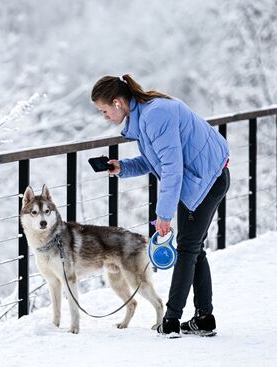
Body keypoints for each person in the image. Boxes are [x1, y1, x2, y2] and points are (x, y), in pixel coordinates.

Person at [91, 74, 230, 338]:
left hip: (205, 180)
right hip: (198, 180)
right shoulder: (144, 116)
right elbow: (155, 160)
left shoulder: (155, 115)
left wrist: (163, 216)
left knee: (188, 249)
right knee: (194, 249)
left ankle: (171, 321)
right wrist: (123, 167)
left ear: (118, 102)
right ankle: (204, 318)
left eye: (105, 110)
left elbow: (172, 167)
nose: (105, 117)